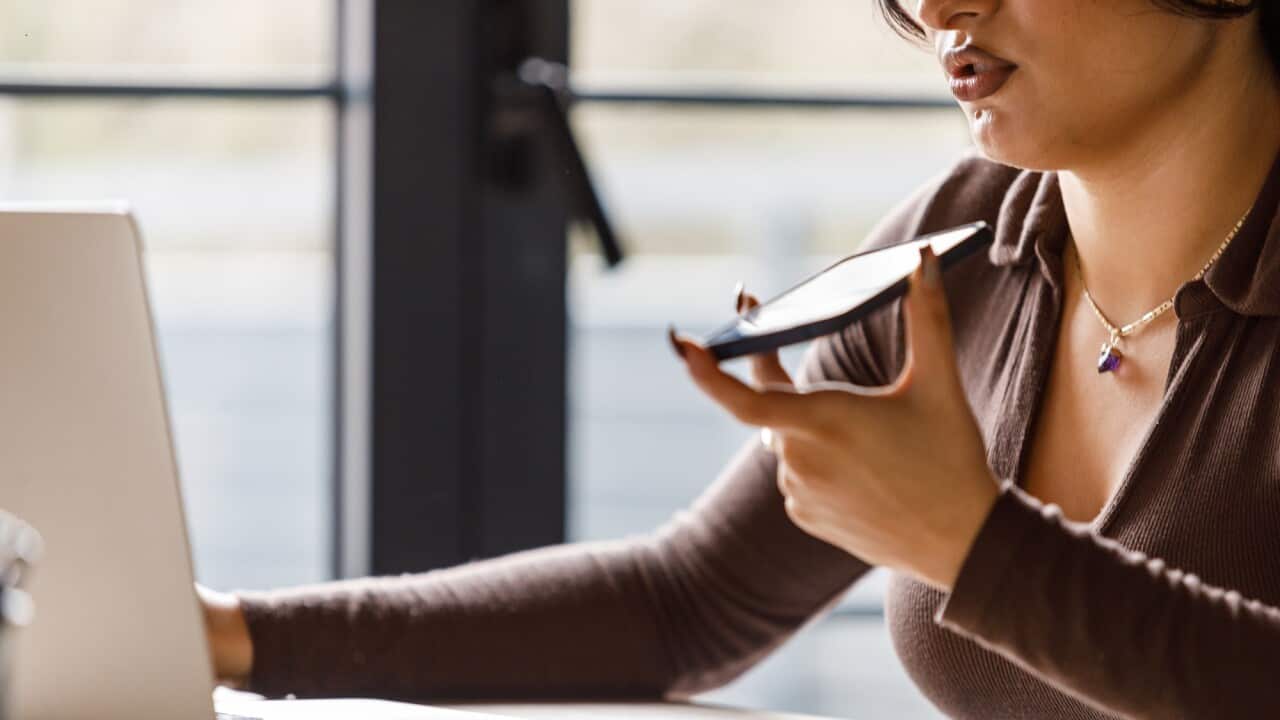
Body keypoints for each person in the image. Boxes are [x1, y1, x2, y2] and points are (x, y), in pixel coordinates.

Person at [201, 0, 1280, 717]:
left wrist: (974, 547)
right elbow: (687, 602)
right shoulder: (961, 249)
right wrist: (239, 636)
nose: (940, 8)